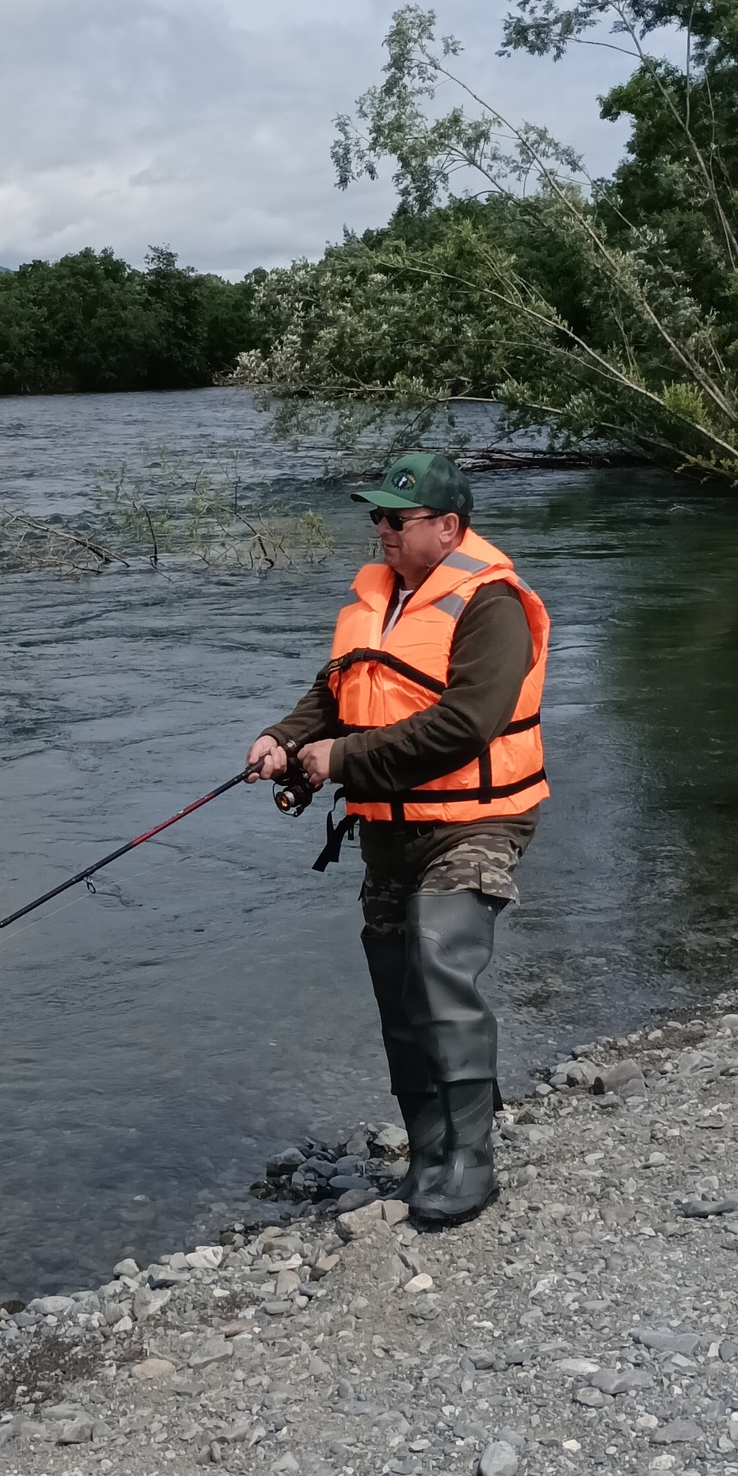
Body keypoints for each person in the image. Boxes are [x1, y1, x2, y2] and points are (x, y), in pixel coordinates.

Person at [246, 450, 549, 1225]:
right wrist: (287, 738)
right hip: (389, 828)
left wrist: (341, 758)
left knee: (440, 956)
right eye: (375, 515)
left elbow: (467, 724)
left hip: (477, 820)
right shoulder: (378, 598)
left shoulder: (493, 605)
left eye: (396, 518)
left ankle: (472, 1163)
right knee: (398, 986)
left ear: (448, 528)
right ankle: (428, 1152)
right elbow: (338, 685)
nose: (379, 529)